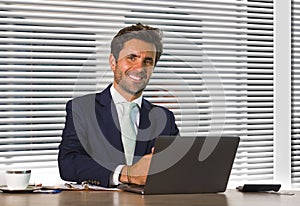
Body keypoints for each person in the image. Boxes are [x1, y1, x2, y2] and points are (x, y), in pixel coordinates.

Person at [58, 23, 179, 188]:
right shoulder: (82, 109)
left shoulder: (165, 118)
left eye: (148, 61)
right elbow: (68, 163)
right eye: (132, 57)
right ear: (113, 62)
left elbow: (178, 169)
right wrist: (126, 174)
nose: (139, 68)